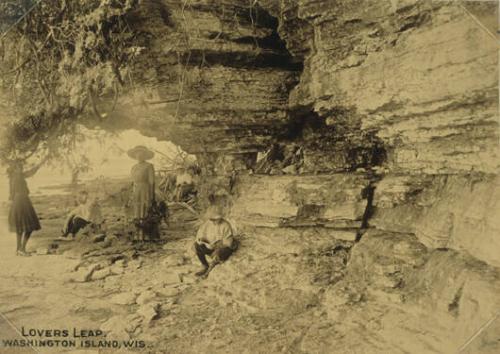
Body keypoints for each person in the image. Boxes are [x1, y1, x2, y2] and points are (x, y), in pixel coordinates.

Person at [7, 158, 45, 256]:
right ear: (16, 168)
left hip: (17, 201)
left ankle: (18, 249)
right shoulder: (18, 176)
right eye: (20, 166)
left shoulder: (13, 176)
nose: (22, 168)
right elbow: (30, 172)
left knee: (20, 227)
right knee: (30, 226)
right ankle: (22, 249)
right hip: (22, 201)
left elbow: (11, 194)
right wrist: (41, 163)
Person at [193, 205, 237, 278]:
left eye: (216, 219)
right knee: (197, 246)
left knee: (221, 253)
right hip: (209, 246)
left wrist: (217, 247)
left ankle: (208, 271)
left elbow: (228, 243)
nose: (213, 221)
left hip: (221, 248)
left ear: (220, 218)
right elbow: (200, 236)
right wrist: (202, 241)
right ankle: (204, 265)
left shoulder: (225, 225)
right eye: (212, 219)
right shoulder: (207, 224)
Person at [128, 145, 155, 242]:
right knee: (137, 211)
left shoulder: (149, 166)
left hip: (145, 190)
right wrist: (131, 194)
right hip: (136, 191)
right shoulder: (134, 167)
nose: (139, 155)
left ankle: (146, 236)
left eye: (141, 153)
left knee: (145, 210)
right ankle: (137, 236)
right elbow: (132, 182)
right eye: (137, 153)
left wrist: (151, 196)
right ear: (135, 155)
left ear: (145, 155)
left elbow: (151, 182)